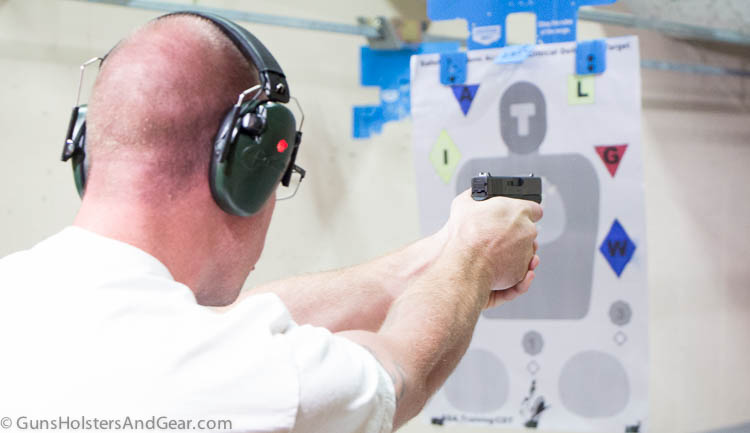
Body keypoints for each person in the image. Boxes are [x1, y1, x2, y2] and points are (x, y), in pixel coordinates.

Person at [0, 12, 542, 433]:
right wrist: (473, 254)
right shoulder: (252, 383)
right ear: (248, 169)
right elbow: (401, 374)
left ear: (87, 149)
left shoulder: (22, 298)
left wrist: (430, 259)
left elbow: (233, 324)